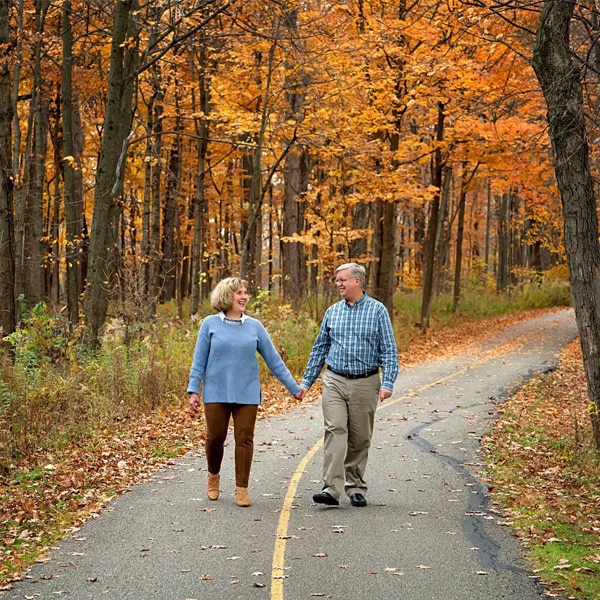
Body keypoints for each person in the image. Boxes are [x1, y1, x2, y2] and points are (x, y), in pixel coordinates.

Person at [187, 277, 304, 507]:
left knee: (244, 440)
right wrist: (193, 390)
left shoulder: (254, 327)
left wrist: (294, 388)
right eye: (238, 292)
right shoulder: (210, 324)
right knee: (215, 438)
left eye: (245, 292)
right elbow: (198, 360)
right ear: (226, 296)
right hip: (216, 392)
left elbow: (274, 360)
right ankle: (213, 477)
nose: (244, 297)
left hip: (247, 393)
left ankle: (242, 488)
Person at [300, 263, 398, 508]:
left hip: (365, 382)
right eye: (337, 280)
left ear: (357, 281)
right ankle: (331, 489)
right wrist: (306, 383)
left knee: (360, 437)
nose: (338, 284)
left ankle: (355, 487)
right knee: (335, 430)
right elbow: (320, 348)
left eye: (342, 280)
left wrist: (387, 382)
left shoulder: (378, 311)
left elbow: (389, 350)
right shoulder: (333, 312)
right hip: (334, 380)